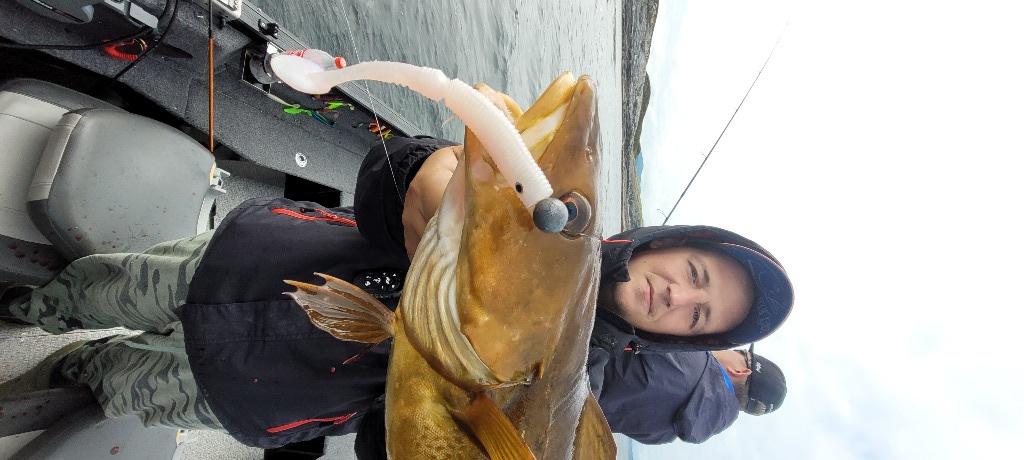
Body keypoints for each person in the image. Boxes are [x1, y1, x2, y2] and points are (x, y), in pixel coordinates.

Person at [0, 135, 795, 450]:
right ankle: (33, 310)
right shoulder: (549, 218)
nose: (675, 297)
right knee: (106, 287)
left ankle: (68, 374)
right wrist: (425, 171)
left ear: (689, 342)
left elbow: (390, 443)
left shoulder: (565, 388)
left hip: (264, 392)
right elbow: (394, 173)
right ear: (673, 243)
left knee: (120, 385)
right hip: (255, 260)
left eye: (698, 316)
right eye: (694, 274)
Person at [592, 345, 786, 445]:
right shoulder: (671, 433)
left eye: (739, 352)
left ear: (740, 371)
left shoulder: (685, 352)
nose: (728, 349)